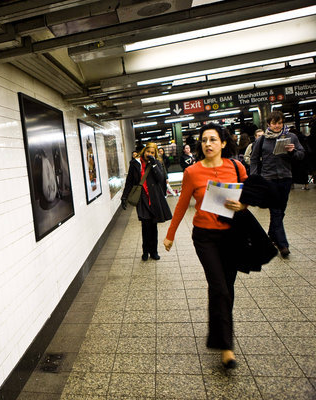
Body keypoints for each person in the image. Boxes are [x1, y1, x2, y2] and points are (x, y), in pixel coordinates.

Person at [163, 123, 247, 369]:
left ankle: (220, 332)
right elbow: (181, 205)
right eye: (203, 140)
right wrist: (170, 234)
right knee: (219, 286)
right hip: (204, 237)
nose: (207, 144)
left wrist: (243, 206)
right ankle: (226, 347)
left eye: (213, 139)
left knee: (226, 287)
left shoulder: (236, 166)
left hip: (231, 235)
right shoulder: (193, 172)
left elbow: (250, 193)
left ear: (223, 143)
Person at [250, 110, 304, 258]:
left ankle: (272, 235)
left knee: (282, 209)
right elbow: (254, 159)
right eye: (274, 123)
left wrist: (292, 151)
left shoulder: (291, 137)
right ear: (269, 124)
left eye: (280, 123)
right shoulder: (262, 140)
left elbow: (301, 154)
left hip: (285, 178)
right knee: (276, 211)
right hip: (268, 179)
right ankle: (283, 245)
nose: (277, 126)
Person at [121, 142, 172, 261]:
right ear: (144, 151)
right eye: (148, 152)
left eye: (152, 153)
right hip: (142, 198)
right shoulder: (135, 163)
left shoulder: (157, 163)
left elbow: (160, 179)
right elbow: (129, 181)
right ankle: (145, 251)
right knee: (145, 225)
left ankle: (154, 251)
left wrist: (154, 163)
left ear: (155, 154)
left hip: (154, 198)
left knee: (153, 226)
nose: (149, 154)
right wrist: (124, 197)